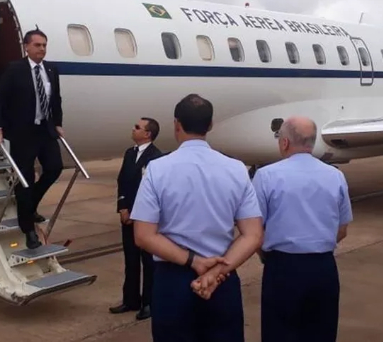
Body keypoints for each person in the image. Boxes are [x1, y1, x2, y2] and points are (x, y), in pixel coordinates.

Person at [131, 93, 263, 342]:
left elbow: (143, 236)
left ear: (176, 125)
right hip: (221, 276)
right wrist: (215, 272)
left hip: (173, 279)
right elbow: (253, 235)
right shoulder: (236, 169)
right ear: (210, 125)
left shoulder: (157, 169)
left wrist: (194, 261)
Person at [252, 116, 353, 342]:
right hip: (323, 267)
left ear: (285, 142)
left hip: (282, 267)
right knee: (321, 332)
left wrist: (266, 255)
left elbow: (254, 232)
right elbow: (343, 229)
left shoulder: (266, 176)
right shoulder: (335, 176)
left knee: (279, 333)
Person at [0, 29, 64, 249]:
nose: (42, 49)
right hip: (23, 133)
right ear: (26, 47)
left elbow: (56, 99)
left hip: (45, 130)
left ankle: (30, 205)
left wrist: (58, 122)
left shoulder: (51, 69)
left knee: (55, 168)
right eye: (38, 45)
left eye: (44, 45)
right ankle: (28, 229)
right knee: (25, 179)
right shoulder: (15, 69)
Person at [109, 118, 163, 321]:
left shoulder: (156, 157)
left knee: (148, 262)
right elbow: (122, 180)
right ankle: (131, 300)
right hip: (127, 216)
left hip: (145, 218)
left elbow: (150, 189)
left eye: (137, 127)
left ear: (148, 134)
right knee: (130, 260)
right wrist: (122, 206)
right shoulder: (129, 153)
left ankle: (149, 302)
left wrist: (136, 212)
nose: (133, 129)